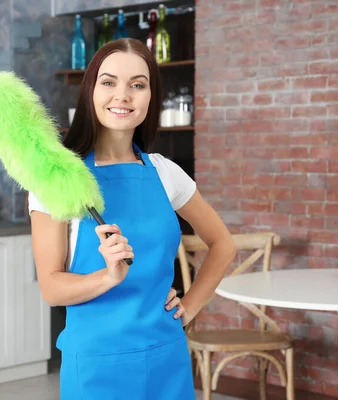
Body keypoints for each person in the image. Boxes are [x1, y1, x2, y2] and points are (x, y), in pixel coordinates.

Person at [28, 38, 236, 399]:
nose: (122, 95)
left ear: (151, 97)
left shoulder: (165, 173)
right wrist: (107, 276)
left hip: (166, 356)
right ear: (91, 91)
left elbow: (223, 244)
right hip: (95, 364)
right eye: (109, 82)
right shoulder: (58, 180)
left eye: (137, 85)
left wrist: (190, 307)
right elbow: (51, 288)